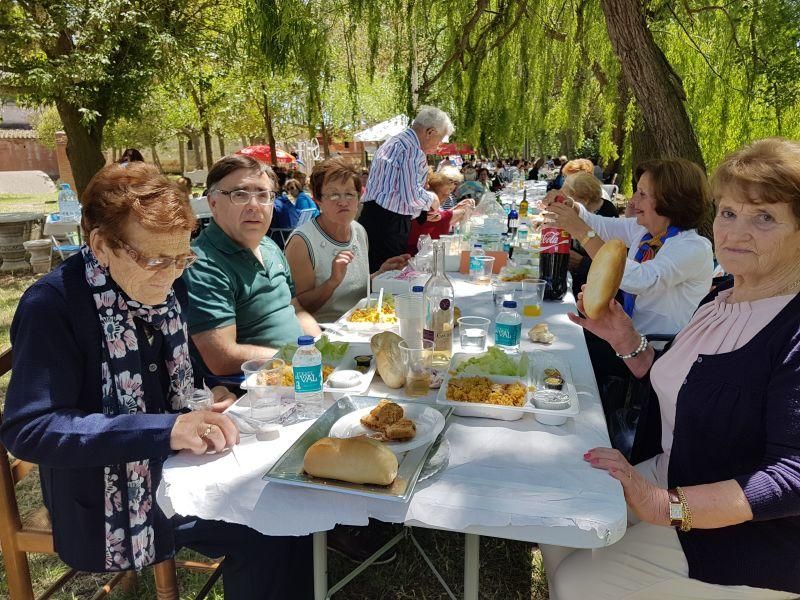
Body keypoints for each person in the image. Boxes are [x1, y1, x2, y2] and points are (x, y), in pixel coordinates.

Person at [0, 162, 312, 599]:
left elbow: (174, 363)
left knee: (287, 505)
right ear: (102, 245)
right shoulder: (53, 306)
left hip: (174, 468)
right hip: (106, 503)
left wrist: (211, 391)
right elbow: (30, 430)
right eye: (154, 259)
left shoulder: (169, 285)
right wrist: (167, 429)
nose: (170, 274)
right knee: (266, 530)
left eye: (181, 258)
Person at [542, 138, 800, 600]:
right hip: (673, 473)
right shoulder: (722, 300)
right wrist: (626, 340)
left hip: (744, 535)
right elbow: (685, 383)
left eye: (764, 217)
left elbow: (790, 477)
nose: (736, 232)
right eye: (729, 213)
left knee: (577, 582)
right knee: (560, 521)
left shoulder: (792, 328)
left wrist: (665, 506)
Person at [543, 158, 714, 417]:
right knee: (564, 340)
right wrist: (572, 207)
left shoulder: (693, 247)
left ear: (672, 200)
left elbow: (640, 279)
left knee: (571, 356)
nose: (632, 202)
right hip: (625, 338)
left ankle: (571, 423)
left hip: (655, 354)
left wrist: (582, 232)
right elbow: (599, 224)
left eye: (643, 194)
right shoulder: (644, 233)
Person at [183, 155, 321, 378]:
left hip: (304, 370)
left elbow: (295, 308)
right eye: (240, 195)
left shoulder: (270, 246)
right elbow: (223, 358)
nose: (254, 206)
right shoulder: (203, 264)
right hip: (263, 391)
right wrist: (301, 357)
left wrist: (320, 346)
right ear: (213, 202)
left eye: (263, 195)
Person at [284, 157, 410, 323]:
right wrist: (332, 282)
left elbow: (353, 290)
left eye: (350, 194)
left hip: (362, 324)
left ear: (359, 198)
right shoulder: (301, 242)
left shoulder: (358, 230)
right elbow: (301, 308)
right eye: (334, 195)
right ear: (318, 200)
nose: (343, 202)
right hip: (326, 334)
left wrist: (380, 274)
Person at [358, 105, 454, 272]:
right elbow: (411, 195)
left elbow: (398, 193)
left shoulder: (395, 141)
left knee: (375, 274)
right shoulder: (412, 149)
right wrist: (432, 199)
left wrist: (422, 212)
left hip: (376, 218)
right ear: (430, 132)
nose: (439, 146)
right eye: (440, 139)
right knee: (386, 279)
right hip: (388, 225)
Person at [560, 172, 619, 297]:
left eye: (570, 201)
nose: (567, 205)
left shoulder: (607, 216)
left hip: (592, 287)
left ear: (585, 200)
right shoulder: (587, 211)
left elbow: (614, 266)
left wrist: (582, 262)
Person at [407, 168, 476, 254]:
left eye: (450, 192)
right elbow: (440, 218)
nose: (446, 197)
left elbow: (440, 214)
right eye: (444, 194)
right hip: (415, 253)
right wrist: (463, 210)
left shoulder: (428, 200)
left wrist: (459, 207)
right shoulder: (428, 202)